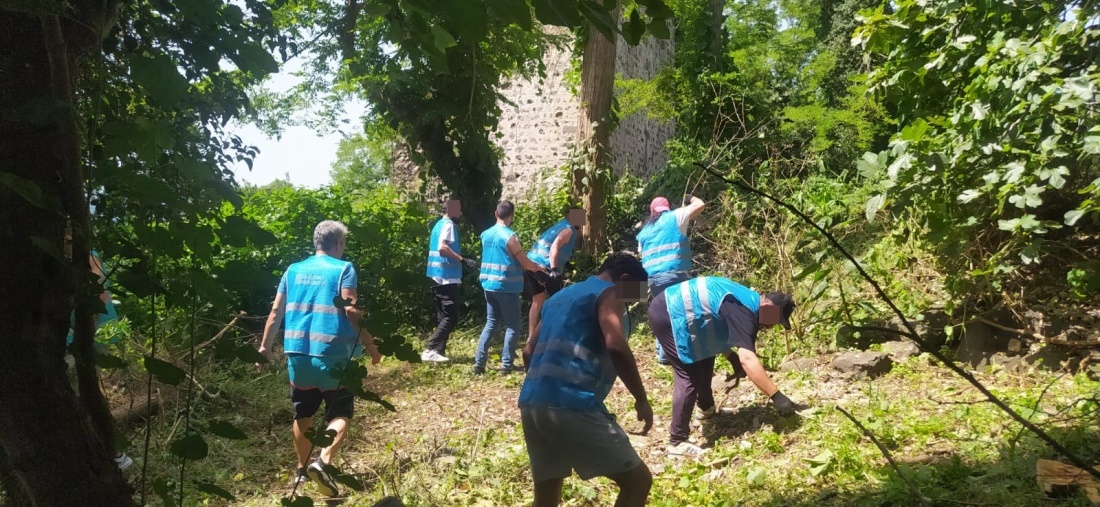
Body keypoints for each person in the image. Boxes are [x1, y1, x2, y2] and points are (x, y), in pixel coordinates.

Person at [258, 220, 383, 497]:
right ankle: (323, 461)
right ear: (338, 243)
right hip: (333, 356)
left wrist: (264, 348)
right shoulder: (344, 269)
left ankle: (302, 472)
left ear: (316, 242)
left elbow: (276, 311)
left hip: (298, 355)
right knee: (341, 412)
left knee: (303, 413)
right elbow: (351, 310)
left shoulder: (293, 270)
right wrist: (372, 345)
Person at [518, 253, 653, 507]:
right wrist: (641, 399)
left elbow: (528, 352)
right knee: (638, 481)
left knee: (546, 497)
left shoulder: (559, 297)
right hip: (571, 404)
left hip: (531, 403)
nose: (633, 300)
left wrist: (545, 390)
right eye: (635, 291)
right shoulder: (609, 292)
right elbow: (616, 346)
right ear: (623, 279)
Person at [648, 276, 799, 458]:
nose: (770, 326)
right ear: (768, 308)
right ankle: (677, 442)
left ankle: (706, 408)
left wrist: (731, 357)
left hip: (681, 311)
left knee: (705, 355)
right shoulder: (745, 311)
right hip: (667, 313)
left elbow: (714, 327)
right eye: (774, 320)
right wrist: (777, 396)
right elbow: (748, 359)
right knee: (689, 376)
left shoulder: (747, 301)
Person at [64, 231, 132, 471]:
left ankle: (114, 455)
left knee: (81, 391)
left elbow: (100, 294)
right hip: (72, 338)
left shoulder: (87, 257)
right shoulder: (60, 258)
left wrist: (82, 333)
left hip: (84, 338)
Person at [474, 200, 547, 375]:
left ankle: (479, 363)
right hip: (506, 287)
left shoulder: (486, 234)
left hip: (488, 285)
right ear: (511, 216)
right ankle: (506, 365)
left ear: (496, 213)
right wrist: (538, 268)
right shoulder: (510, 237)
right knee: (513, 325)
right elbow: (525, 263)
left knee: (491, 323)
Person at [637, 194, 705, 364]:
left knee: (663, 313)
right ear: (667, 209)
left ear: (652, 211)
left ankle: (663, 354)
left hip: (653, 279)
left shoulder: (644, 232)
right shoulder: (676, 216)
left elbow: (641, 253)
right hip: (675, 274)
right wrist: (691, 198)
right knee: (679, 312)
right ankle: (683, 353)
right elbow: (700, 205)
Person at [423, 199, 479, 363]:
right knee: (452, 316)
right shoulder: (448, 225)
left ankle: (438, 352)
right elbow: (442, 248)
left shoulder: (437, 225)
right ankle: (430, 348)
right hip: (446, 276)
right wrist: (462, 260)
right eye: (459, 211)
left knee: (443, 315)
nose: (461, 214)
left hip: (435, 276)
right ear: (451, 211)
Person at [524, 207, 584, 342]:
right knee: (559, 301)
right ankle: (559, 335)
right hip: (545, 267)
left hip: (531, 263)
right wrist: (555, 269)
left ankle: (532, 337)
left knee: (537, 301)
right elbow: (555, 247)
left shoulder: (560, 225)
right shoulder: (569, 230)